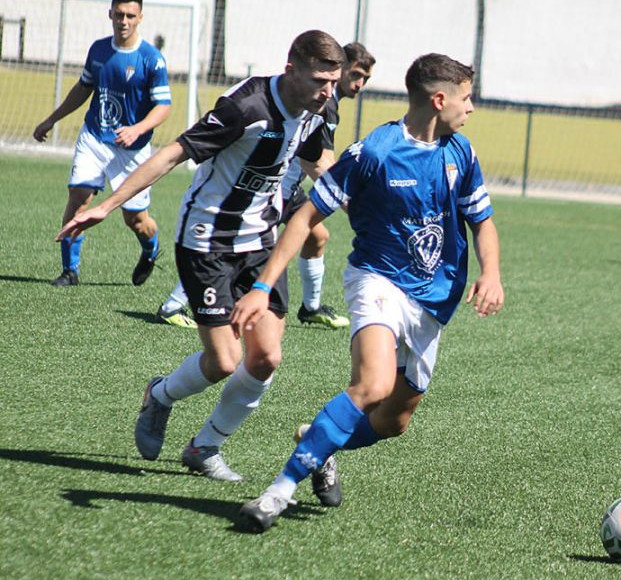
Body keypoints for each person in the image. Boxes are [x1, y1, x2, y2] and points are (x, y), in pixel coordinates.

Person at [56, 31, 346, 489]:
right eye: (320, 80)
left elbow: (318, 168)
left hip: (261, 242)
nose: (329, 91)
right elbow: (173, 153)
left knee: (266, 357)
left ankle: (204, 446)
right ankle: (160, 394)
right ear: (291, 69)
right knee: (225, 361)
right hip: (206, 240)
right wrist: (106, 205)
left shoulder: (317, 109)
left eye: (335, 81)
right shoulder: (246, 107)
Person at [231, 53, 505, 532]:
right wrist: (261, 286)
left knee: (393, 421)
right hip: (377, 281)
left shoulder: (461, 152)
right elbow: (305, 216)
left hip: (432, 302)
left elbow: (482, 221)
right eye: (466, 98)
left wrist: (492, 274)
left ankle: (319, 443)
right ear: (439, 100)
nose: (472, 108)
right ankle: (278, 491)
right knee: (372, 385)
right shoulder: (374, 153)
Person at [154, 42, 376, 329]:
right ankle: (175, 304)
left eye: (365, 80)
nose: (359, 84)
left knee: (316, 236)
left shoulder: (325, 102)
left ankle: (311, 307)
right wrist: (352, 202)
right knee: (230, 247)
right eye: (356, 75)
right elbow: (325, 164)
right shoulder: (323, 106)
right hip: (273, 188)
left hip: (289, 186)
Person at [34, 0, 171, 287]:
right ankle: (69, 271)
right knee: (79, 197)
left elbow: (163, 107)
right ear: (110, 14)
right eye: (119, 14)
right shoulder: (98, 50)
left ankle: (150, 249)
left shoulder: (151, 59)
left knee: (136, 220)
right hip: (95, 136)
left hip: (132, 150)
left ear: (140, 17)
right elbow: (83, 88)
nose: (124, 21)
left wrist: (137, 129)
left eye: (130, 15)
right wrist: (51, 120)